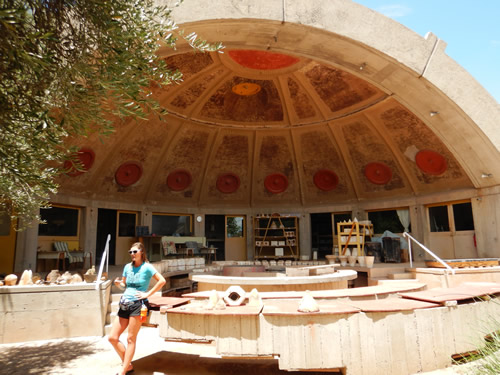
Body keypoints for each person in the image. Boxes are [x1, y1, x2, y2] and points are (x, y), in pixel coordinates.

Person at [108, 242, 166, 375]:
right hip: (124, 303)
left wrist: (147, 294)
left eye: (135, 252)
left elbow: (162, 281)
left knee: (130, 339)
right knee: (112, 337)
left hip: (139, 305)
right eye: (130, 252)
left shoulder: (147, 267)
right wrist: (119, 284)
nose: (132, 254)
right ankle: (128, 365)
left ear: (141, 253)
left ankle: (123, 370)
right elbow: (124, 286)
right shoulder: (127, 267)